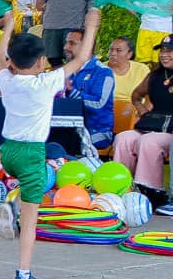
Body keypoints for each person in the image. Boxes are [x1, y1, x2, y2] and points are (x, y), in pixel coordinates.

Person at [0, 8, 102, 279]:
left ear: (13, 61)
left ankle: (11, 204)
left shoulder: (8, 79)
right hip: (31, 154)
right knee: (30, 220)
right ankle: (24, 275)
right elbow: (81, 59)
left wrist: (9, 26)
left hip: (7, 152)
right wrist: (91, 25)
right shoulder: (45, 83)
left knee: (28, 191)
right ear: (42, 61)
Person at [112, 36, 173, 215]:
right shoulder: (154, 75)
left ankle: (151, 191)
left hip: (169, 130)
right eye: (162, 51)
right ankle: (121, 187)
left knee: (149, 141)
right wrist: (141, 110)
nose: (164, 55)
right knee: (124, 138)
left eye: (169, 51)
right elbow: (136, 94)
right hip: (152, 124)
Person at [63, 29, 115, 152]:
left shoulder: (103, 72)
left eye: (72, 43)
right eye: (66, 43)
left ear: (88, 46)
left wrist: (71, 91)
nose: (66, 47)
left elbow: (99, 104)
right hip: (70, 127)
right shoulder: (67, 70)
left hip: (98, 131)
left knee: (72, 143)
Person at [107, 36, 148, 127]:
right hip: (106, 117)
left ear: (129, 54)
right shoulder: (100, 69)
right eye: (111, 50)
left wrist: (141, 118)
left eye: (118, 50)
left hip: (136, 118)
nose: (113, 53)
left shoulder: (141, 69)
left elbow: (150, 98)